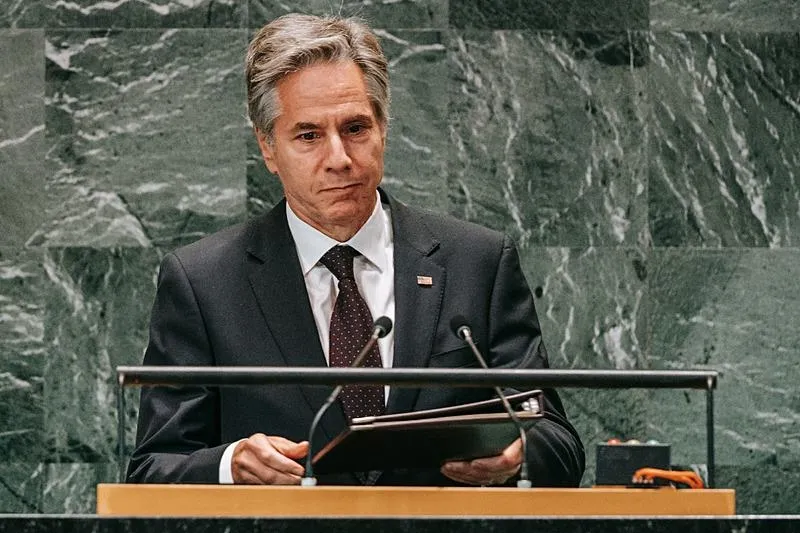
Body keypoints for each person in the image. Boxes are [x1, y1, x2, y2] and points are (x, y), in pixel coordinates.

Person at [127, 13, 585, 487]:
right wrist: (230, 464)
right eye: (308, 135)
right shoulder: (204, 283)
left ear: (383, 128)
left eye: (355, 128)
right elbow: (152, 469)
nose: (339, 158)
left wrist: (518, 455)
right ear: (268, 147)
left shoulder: (477, 262)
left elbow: (558, 442)